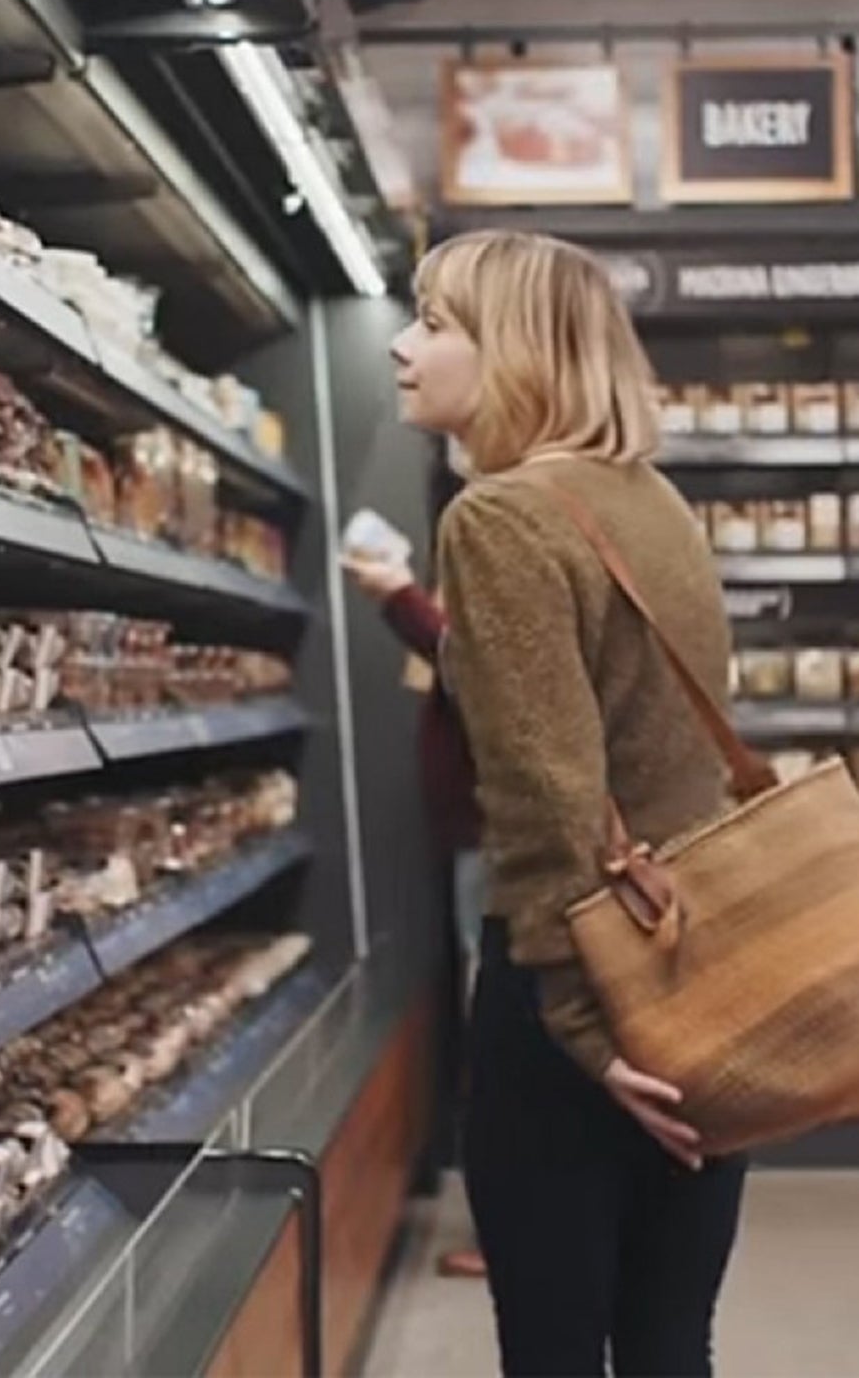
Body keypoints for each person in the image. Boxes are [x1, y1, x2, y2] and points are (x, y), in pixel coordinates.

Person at [391, 227, 747, 1377]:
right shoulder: (649, 504)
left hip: (573, 997)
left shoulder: (497, 519)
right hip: (697, 969)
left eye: (434, 323)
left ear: (513, 351)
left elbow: (547, 793)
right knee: (666, 1339)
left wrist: (588, 1038)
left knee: (550, 1350)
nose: (403, 346)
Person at [339, 549, 488, 1281]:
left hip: (497, 845)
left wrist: (402, 597)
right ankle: (519, 1222)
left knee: (500, 1028)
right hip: (482, 843)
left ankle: (520, 1230)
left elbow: (475, 665)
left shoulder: (498, 530)